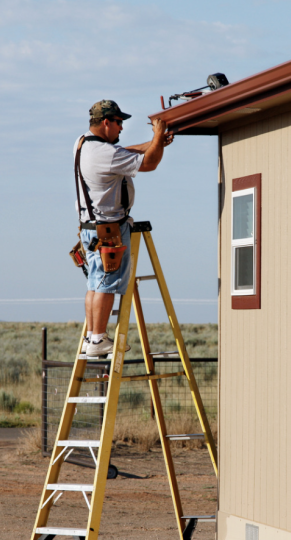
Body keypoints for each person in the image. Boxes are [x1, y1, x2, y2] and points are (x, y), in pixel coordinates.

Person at [74, 99, 172, 356]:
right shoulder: (105, 154)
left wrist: (154, 144)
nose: (121, 128)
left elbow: (124, 152)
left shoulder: (84, 143)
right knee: (106, 284)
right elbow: (149, 164)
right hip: (109, 230)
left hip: (90, 227)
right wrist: (158, 138)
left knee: (95, 284)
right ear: (106, 122)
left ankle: (91, 338)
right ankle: (97, 340)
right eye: (118, 123)